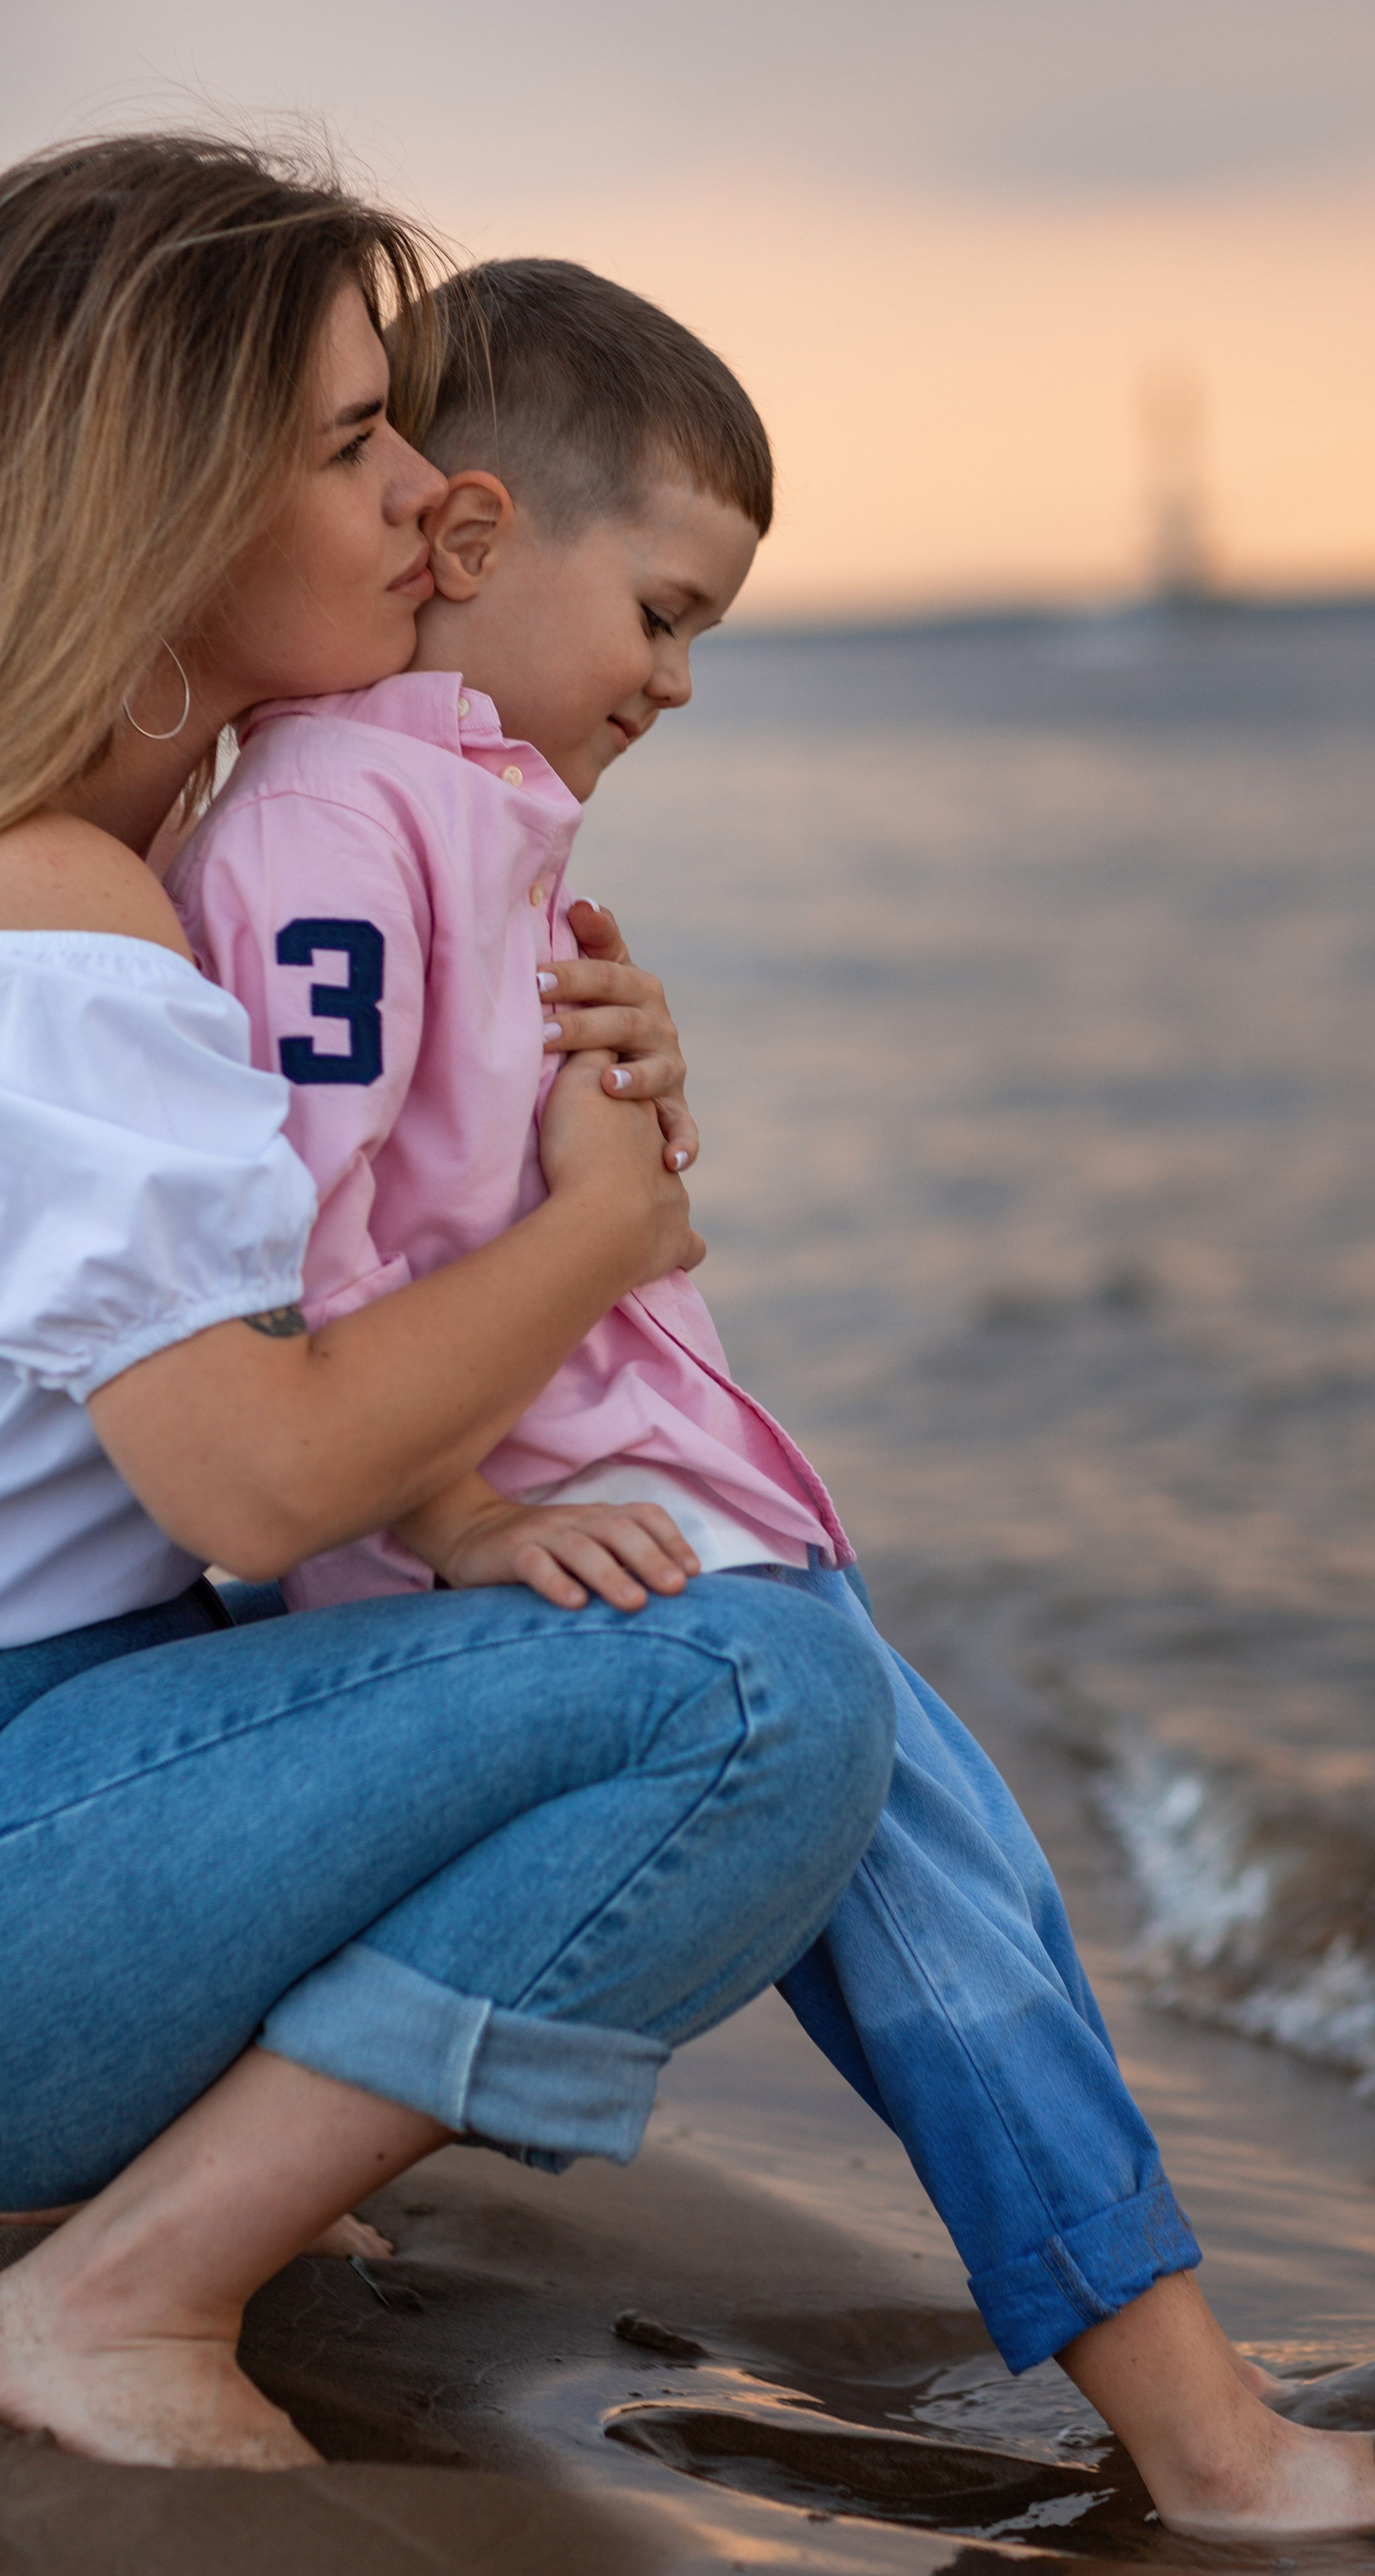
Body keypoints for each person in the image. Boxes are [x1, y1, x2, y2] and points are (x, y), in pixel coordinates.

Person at [164, 256, 1375, 2539]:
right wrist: (479, 1510)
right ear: (482, 540)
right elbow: (287, 1262)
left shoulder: (463, 815)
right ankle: (1211, 2444)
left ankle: (1179, 2382)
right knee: (944, 1911)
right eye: (667, 616)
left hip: (659, 1518)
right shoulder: (334, 830)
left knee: (971, 1889)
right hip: (591, 1538)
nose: (681, 683)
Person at [0, 133, 898, 2477]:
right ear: (165, 498)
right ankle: (121, 2293)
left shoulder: (146, 871)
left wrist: (564, 1098)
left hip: (65, 1752)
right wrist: (603, 1238)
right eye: (348, 442)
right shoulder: (56, 918)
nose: (430, 488)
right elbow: (255, 1469)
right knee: (757, 1683)